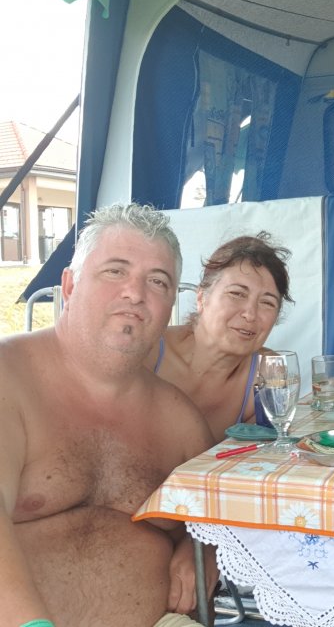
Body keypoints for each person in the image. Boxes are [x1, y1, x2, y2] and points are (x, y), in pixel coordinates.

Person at [0, 202, 215, 626]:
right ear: (69, 285)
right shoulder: (10, 377)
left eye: (158, 281)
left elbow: (216, 517)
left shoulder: (179, 420)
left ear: (171, 305)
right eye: (115, 271)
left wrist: (204, 552)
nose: (135, 293)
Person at [145, 233, 293, 442]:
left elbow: (257, 453)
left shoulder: (266, 371)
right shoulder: (147, 351)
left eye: (267, 303)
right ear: (201, 298)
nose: (250, 314)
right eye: (237, 294)